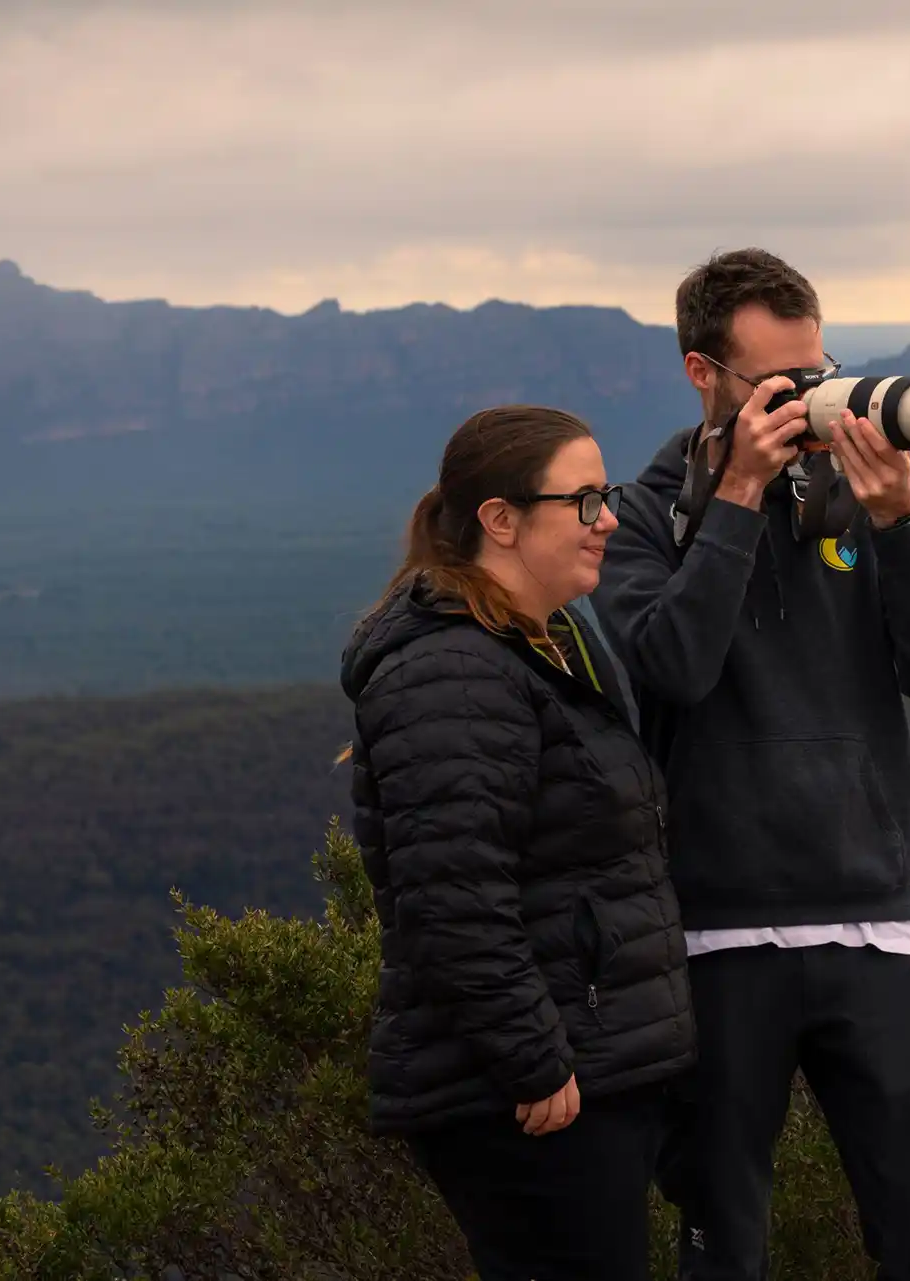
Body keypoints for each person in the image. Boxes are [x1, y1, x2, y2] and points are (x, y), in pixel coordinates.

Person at [590, 248, 910, 1280]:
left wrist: (898, 518)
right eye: (779, 383)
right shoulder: (642, 518)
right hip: (719, 935)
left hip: (877, 921)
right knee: (724, 1243)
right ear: (702, 373)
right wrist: (734, 503)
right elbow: (672, 668)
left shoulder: (853, 502)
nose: (806, 400)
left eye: (816, 373)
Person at [339, 404, 697, 1281]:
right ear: (500, 520)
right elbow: (453, 896)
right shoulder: (453, 669)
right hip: (527, 1100)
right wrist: (535, 1063)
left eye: (603, 495)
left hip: (579, 1076)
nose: (607, 517)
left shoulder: (547, 641)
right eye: (581, 500)